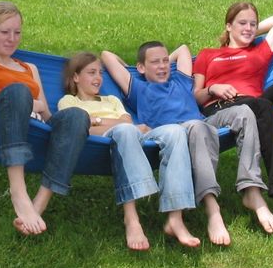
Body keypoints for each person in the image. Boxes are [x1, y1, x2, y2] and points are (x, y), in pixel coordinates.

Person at [101, 41, 273, 246]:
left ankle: (251, 187)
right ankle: (212, 209)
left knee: (245, 112)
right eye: (155, 62)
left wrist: (164, 60)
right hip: (166, 132)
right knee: (196, 126)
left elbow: (183, 49)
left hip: (202, 123)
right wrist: (131, 68)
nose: (163, 66)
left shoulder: (181, 80)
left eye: (166, 61)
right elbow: (106, 55)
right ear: (141, 67)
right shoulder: (138, 88)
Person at [0, 1, 89, 236]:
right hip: (4, 125)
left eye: (17, 32)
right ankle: (18, 192)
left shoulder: (29, 68)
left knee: (78, 116)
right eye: (5, 32)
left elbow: (47, 113)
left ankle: (38, 206)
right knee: (18, 91)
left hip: (38, 129)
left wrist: (37, 105)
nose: (12, 38)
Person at [58, 52, 200, 250]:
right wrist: (109, 123)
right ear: (75, 77)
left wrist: (97, 120)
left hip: (134, 135)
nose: (98, 78)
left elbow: (127, 120)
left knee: (176, 131)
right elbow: (81, 127)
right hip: (105, 141)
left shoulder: (112, 100)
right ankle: (132, 219)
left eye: (100, 73)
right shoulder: (69, 102)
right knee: (125, 131)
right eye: (91, 73)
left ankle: (175, 217)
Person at [192, 2, 273, 231]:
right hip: (221, 107)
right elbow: (195, 97)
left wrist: (248, 33)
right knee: (262, 106)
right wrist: (213, 88)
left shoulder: (259, 50)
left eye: (252, 24)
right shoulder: (208, 55)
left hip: (254, 103)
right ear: (228, 25)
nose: (248, 28)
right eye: (241, 23)